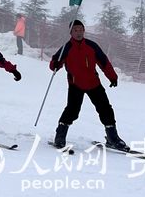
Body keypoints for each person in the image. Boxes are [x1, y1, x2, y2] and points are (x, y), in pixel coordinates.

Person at [50, 20, 127, 150]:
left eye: (81, 30)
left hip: (93, 83)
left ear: (84, 31)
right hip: (76, 84)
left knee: (105, 109)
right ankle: (60, 136)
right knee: (72, 111)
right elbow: (54, 64)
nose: (79, 32)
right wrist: (56, 64)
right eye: (75, 30)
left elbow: (104, 62)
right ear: (71, 32)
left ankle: (112, 138)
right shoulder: (66, 48)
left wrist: (112, 77)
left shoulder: (92, 46)